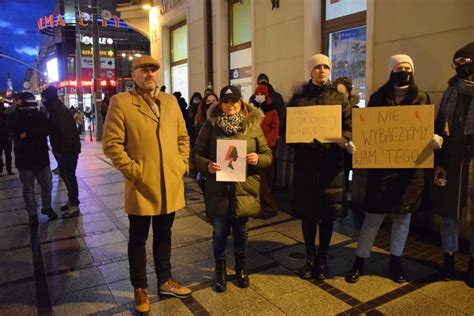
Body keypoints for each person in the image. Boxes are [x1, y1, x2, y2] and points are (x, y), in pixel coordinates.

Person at [102, 55, 192, 314]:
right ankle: (140, 288)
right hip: (141, 184)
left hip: (170, 183)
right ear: (134, 74)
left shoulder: (171, 101)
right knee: (138, 238)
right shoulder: (121, 102)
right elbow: (112, 145)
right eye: (144, 70)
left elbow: (183, 137)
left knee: (165, 235)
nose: (150, 74)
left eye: (154, 69)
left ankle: (165, 280)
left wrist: (181, 164)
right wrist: (135, 172)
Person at [345, 54, 441, 284]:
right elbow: (369, 130)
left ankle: (395, 262)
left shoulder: (422, 98)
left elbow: (427, 129)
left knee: (402, 220)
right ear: (391, 71)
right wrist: (357, 145)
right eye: (399, 68)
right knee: (372, 219)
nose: (404, 71)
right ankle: (360, 260)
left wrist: (435, 140)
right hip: (382, 171)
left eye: (408, 67)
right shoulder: (378, 98)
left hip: (410, 172)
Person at [191, 85, 272, 293]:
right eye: (226, 102)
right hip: (218, 190)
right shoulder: (210, 126)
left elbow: (268, 155)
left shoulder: (253, 126)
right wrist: (207, 165)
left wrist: (258, 159)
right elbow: (196, 155)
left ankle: (241, 269)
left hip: (244, 189)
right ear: (220, 104)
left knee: (242, 233)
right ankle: (220, 272)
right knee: (219, 233)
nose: (230, 105)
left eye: (234, 101)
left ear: (241, 103)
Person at [286, 54, 353, 281]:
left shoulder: (339, 98)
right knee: (308, 216)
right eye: (317, 67)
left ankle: (322, 258)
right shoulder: (298, 98)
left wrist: (344, 140)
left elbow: (348, 127)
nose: (322, 70)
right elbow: (288, 131)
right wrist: (302, 141)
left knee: (327, 216)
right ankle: (309, 257)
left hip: (330, 167)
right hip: (306, 166)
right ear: (310, 71)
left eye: (326, 66)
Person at [433, 42, 474, 288]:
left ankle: (472, 263)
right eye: (456, 63)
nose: (459, 67)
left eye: (464, 62)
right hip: (451, 160)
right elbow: (440, 126)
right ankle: (447, 258)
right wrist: (439, 158)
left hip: (473, 164)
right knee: (449, 215)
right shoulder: (450, 92)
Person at [9, 92, 58, 225]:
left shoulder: (39, 114)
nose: (31, 104)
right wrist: (30, 132)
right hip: (24, 158)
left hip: (41, 156)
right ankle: (32, 214)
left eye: (32, 101)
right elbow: (14, 131)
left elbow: (47, 129)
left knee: (47, 184)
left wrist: (28, 133)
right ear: (21, 102)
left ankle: (47, 208)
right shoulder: (15, 116)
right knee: (28, 187)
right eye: (28, 101)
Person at [41, 86, 81, 218]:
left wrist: (64, 152)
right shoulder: (53, 110)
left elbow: (66, 134)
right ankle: (72, 200)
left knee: (70, 176)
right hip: (61, 150)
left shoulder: (60, 112)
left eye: (44, 98)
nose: (43, 100)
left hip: (67, 151)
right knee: (65, 175)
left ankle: (74, 205)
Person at [250, 84, 280, 219]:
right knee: (260, 178)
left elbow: (275, 128)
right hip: (254, 148)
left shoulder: (272, 110)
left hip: (268, 148)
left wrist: (267, 142)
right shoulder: (250, 109)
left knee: (267, 178)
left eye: (262, 94)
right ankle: (270, 206)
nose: (259, 96)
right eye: (257, 94)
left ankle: (266, 205)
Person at [333, 77, 360, 195]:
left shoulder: (355, 111)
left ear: (349, 94)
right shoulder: (327, 111)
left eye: (343, 94)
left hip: (348, 151)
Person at [193, 91, 219, 193]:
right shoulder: (201, 119)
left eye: (213, 100)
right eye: (208, 101)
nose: (211, 103)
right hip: (205, 156)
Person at [0, 102, 14, 176]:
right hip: (7, 137)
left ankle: (6, 170)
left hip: (6, 137)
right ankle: (8, 170)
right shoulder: (7, 115)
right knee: (8, 155)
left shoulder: (6, 115)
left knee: (8, 155)